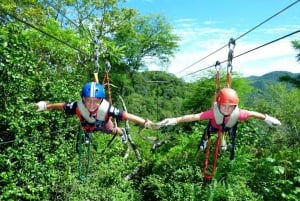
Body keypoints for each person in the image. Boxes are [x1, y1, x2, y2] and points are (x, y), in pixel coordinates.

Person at [156, 88, 281, 153]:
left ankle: (222, 143)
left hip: (226, 127)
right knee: (208, 133)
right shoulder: (212, 113)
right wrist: (175, 120)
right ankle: (204, 141)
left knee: (223, 132)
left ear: (235, 106)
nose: (227, 109)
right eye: (223, 106)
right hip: (214, 125)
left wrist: (266, 118)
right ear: (218, 104)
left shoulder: (239, 113)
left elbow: (253, 114)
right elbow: (194, 117)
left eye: (230, 107)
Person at [36, 82, 157, 144]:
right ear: (83, 99)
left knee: (111, 130)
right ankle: (88, 133)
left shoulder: (107, 108)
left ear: (101, 100)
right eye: (88, 101)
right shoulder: (77, 106)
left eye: (96, 101)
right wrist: (46, 106)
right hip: (87, 123)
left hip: (102, 124)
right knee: (86, 126)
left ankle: (122, 132)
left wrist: (145, 123)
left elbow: (126, 115)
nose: (91, 105)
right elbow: (62, 106)